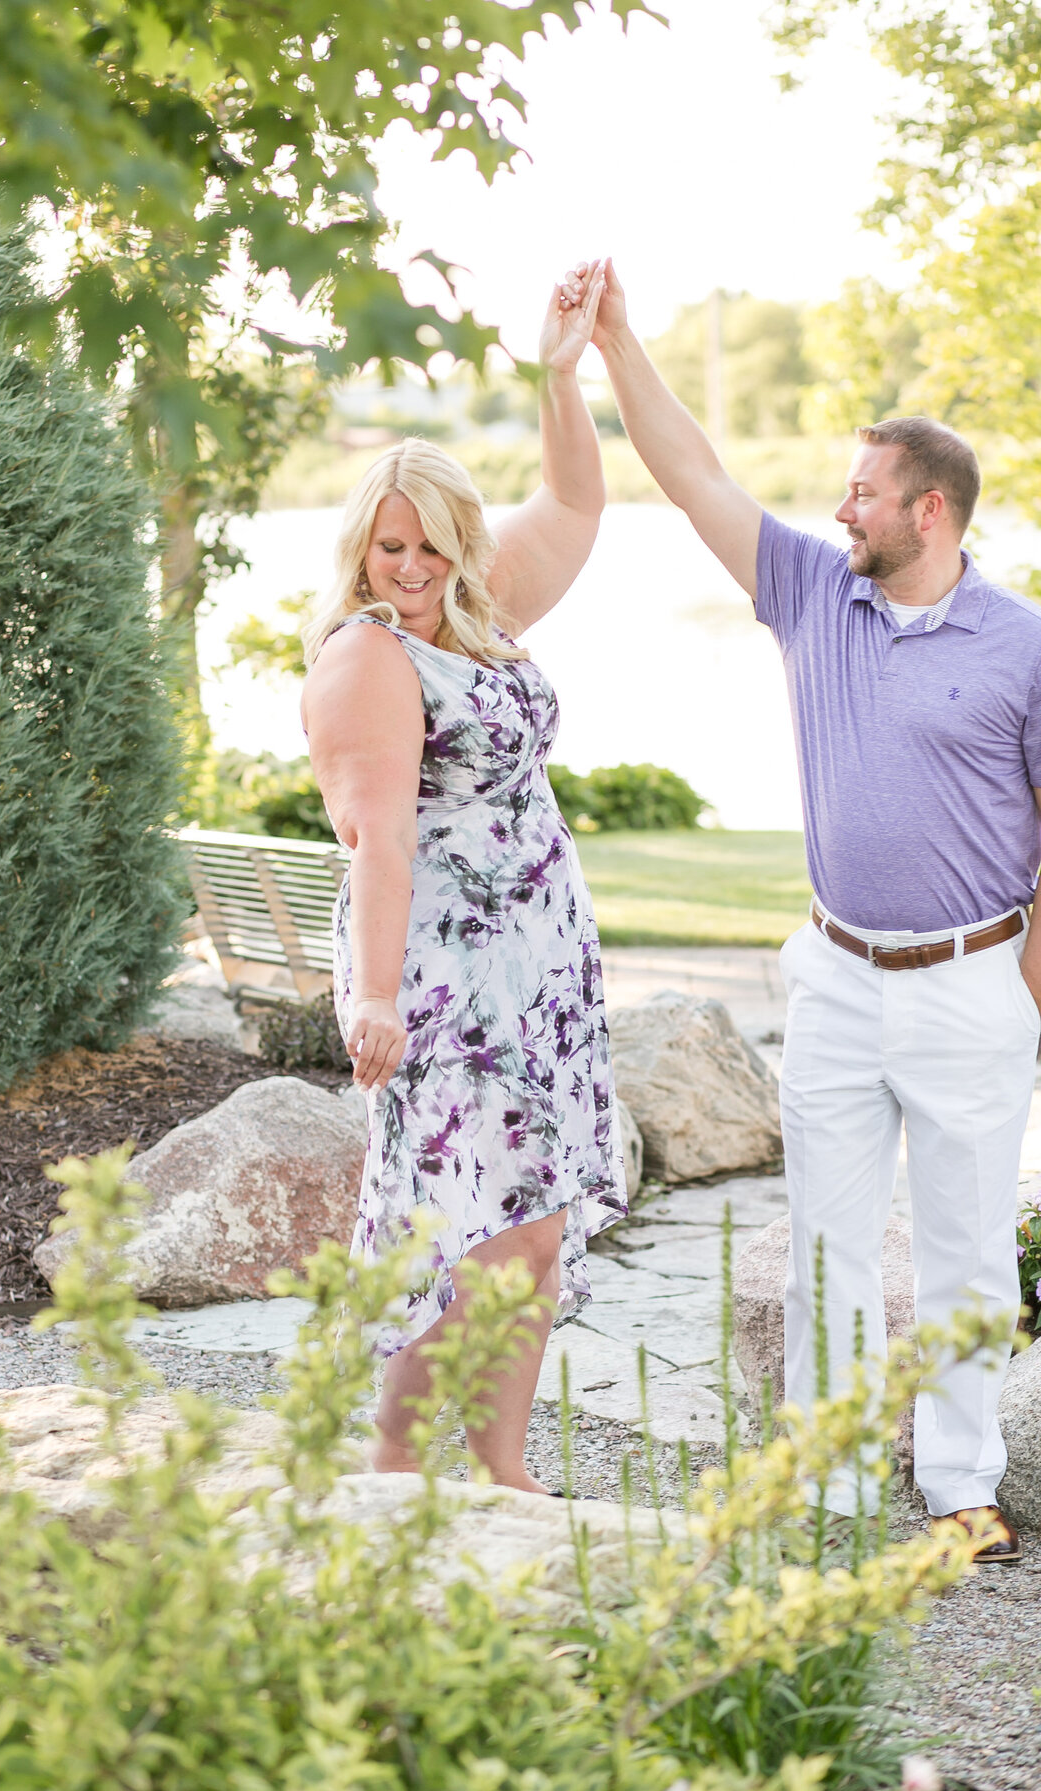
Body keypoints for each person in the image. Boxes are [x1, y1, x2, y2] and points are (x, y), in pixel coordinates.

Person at [560, 256, 1041, 1561]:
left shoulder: (1025, 643)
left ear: (929, 512)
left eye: (865, 493)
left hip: (970, 983)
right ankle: (828, 1486)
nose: (841, 508)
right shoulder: (811, 594)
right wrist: (616, 345)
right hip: (832, 975)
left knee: (962, 1253)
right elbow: (697, 474)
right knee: (824, 1246)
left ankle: (958, 1487)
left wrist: (1019, 990)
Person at [300, 265, 628, 1493]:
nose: (413, 566)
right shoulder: (368, 657)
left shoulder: (477, 617)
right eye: (393, 546)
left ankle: (500, 1467)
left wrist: (558, 374)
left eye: (434, 544)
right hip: (440, 972)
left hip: (536, 967)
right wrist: (373, 1000)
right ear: (363, 547)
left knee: (529, 1220)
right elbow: (376, 840)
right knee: (470, 1229)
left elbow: (580, 504)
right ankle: (394, 1456)